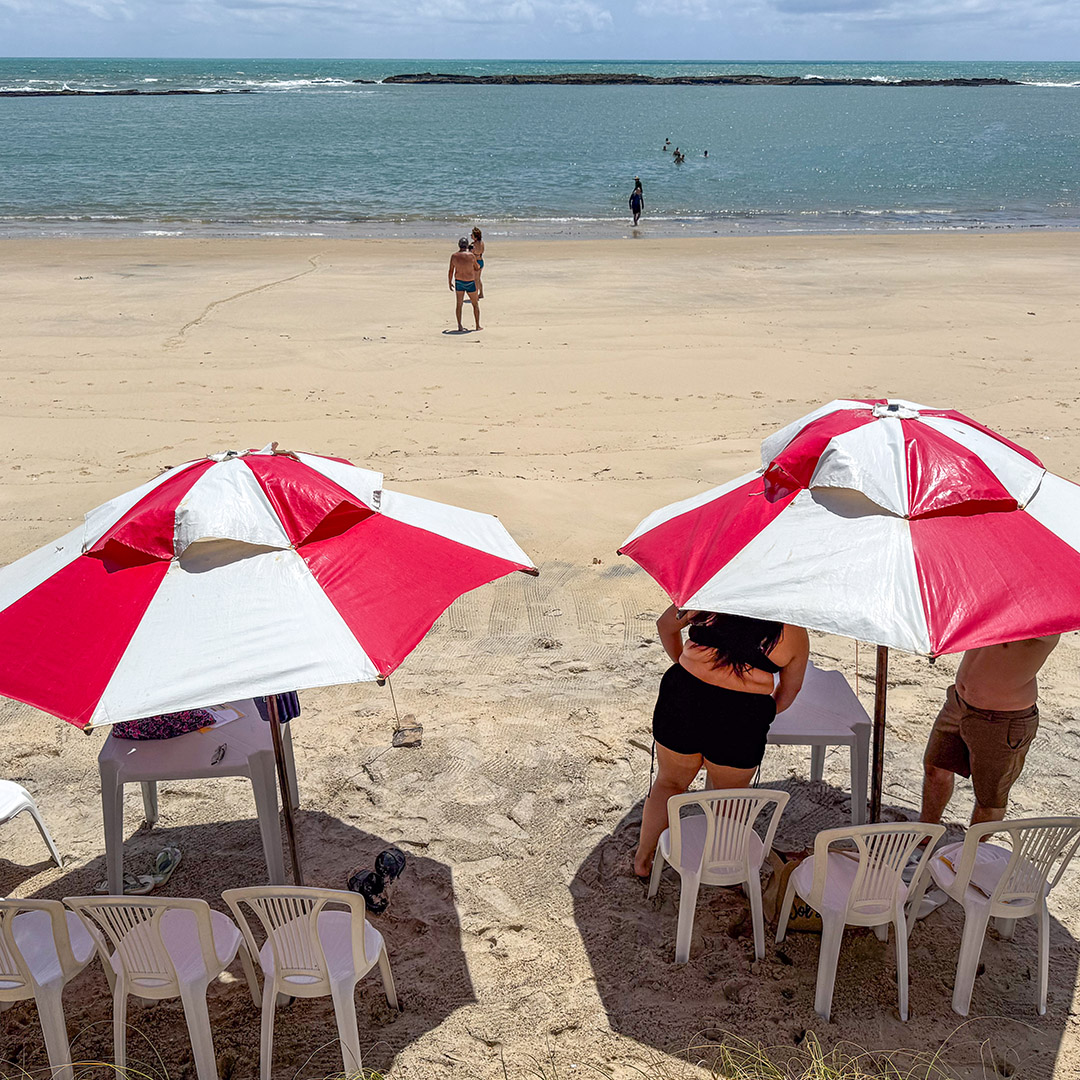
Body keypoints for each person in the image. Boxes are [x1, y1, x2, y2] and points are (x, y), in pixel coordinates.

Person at [633, 606, 809, 878]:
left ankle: (643, 860)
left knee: (669, 783)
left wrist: (682, 661)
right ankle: (722, 866)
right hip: (742, 716)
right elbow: (789, 692)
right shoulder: (792, 630)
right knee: (729, 798)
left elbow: (665, 625)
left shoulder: (710, 595)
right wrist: (757, 711)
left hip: (685, 696)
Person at [920, 636, 1059, 826]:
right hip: (959, 702)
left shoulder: (1045, 618)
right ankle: (925, 833)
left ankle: (973, 851)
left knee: (989, 799)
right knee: (936, 768)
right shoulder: (997, 606)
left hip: (1003, 719)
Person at [448, 236, 481, 332]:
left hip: (459, 282)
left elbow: (451, 271)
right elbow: (477, 267)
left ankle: (459, 325)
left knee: (459, 304)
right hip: (470, 281)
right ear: (467, 246)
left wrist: (449, 282)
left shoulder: (454, 256)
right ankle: (477, 325)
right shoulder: (471, 256)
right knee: (475, 304)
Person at [470, 226, 485, 299]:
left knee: (475, 279)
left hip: (476, 262)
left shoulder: (473, 244)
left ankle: (475, 294)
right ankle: (481, 293)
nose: (471, 236)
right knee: (478, 278)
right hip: (481, 261)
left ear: (475, 237)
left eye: (472, 235)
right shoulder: (482, 243)